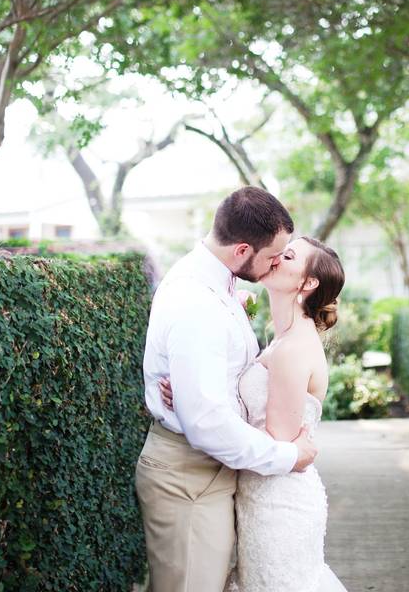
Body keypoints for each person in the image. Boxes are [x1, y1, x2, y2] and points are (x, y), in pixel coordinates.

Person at [135, 187, 318, 592]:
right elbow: (207, 425)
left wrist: (194, 393)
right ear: (240, 250)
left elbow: (214, 387)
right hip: (188, 480)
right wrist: (289, 456)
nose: (274, 265)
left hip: (211, 472)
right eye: (272, 256)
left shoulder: (216, 283)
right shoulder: (196, 302)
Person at [160, 235, 349, 591]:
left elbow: (276, 441)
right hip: (259, 496)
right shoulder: (281, 340)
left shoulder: (292, 349)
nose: (276, 258)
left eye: (288, 256)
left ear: (308, 283)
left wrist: (197, 401)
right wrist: (194, 391)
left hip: (279, 505)